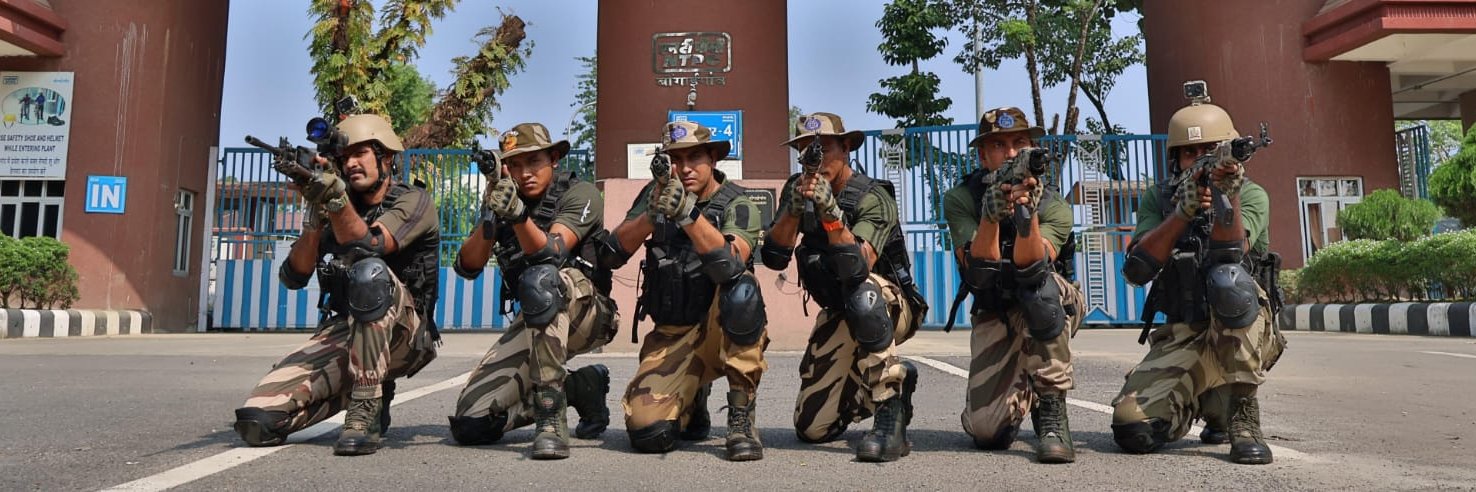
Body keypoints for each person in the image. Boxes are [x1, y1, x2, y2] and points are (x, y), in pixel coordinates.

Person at [234, 113, 441, 456]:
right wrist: (316, 213)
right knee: (259, 421)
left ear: (386, 158)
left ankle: (364, 411)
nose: (352, 163)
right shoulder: (335, 207)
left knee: (369, 272)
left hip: (406, 336)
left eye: (361, 154)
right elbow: (293, 277)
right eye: (345, 158)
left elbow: (369, 246)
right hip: (347, 330)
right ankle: (368, 391)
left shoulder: (414, 201)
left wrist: (337, 202)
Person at [1112, 81, 1287, 465]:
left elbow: (1234, 252)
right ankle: (1205, 401)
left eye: (1209, 150)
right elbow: (1137, 269)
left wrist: (1226, 195)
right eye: (1189, 152)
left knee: (1229, 281)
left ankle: (1241, 418)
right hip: (1182, 332)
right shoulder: (1159, 200)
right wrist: (1182, 213)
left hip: (1241, 328)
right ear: (1176, 159)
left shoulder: (1252, 195)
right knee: (1132, 429)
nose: (1199, 157)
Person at [760, 112, 928, 462]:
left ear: (846, 147)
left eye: (822, 148)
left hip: (889, 304)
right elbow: (775, 256)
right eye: (805, 149)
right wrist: (793, 208)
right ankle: (896, 379)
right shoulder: (797, 187)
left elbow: (858, 266)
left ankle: (889, 409)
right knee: (812, 429)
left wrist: (830, 211)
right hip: (840, 310)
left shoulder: (873, 196)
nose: (813, 157)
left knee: (863, 294)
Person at [446, 123, 619, 460]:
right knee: (471, 423)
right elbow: (467, 266)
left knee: (542, 279)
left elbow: (553, 253)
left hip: (586, 314)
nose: (525, 173)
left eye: (534, 162)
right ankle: (580, 389)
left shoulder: (580, 193)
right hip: (534, 321)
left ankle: (551, 415)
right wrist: (493, 215)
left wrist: (518, 216)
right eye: (515, 164)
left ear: (553, 158)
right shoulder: (504, 200)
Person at [600, 121, 769, 461]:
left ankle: (741, 415)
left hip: (721, 331)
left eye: (695, 157)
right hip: (672, 333)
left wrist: (687, 213)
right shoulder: (654, 194)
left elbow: (730, 264)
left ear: (713, 160)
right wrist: (653, 213)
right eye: (675, 160)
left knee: (742, 290)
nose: (684, 168)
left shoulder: (738, 203)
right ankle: (693, 400)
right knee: (649, 433)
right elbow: (610, 255)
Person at [939, 107, 1085, 463]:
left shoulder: (1054, 205)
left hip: (1048, 302)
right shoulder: (961, 199)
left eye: (1019, 143)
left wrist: (1026, 214)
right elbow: (979, 273)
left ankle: (1051, 408)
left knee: (1042, 293)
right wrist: (990, 216)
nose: (1010, 153)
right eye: (999, 145)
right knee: (988, 433)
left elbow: (1033, 267)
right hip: (996, 308)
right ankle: (1020, 395)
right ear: (982, 155)